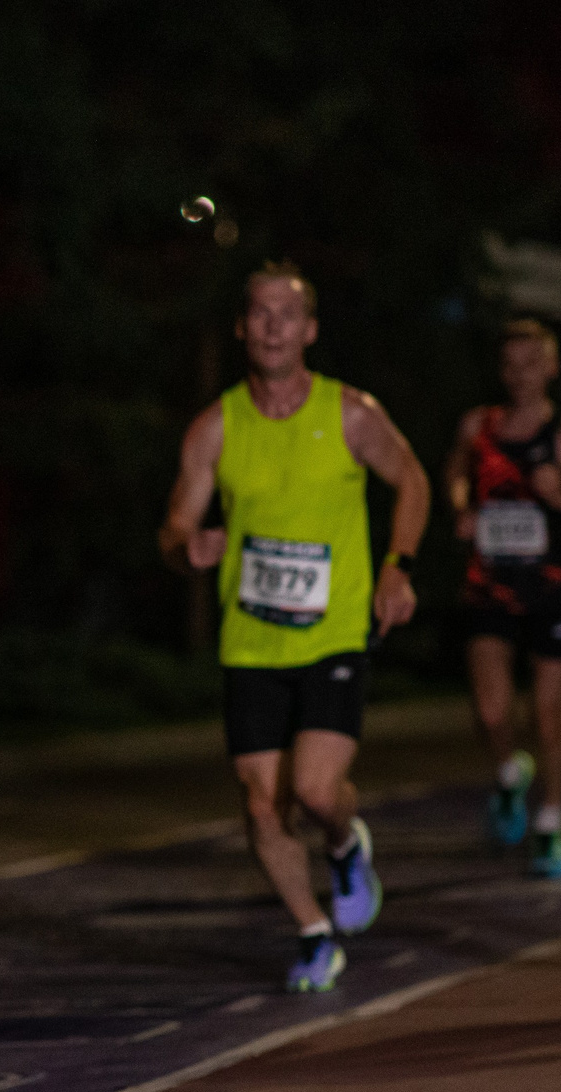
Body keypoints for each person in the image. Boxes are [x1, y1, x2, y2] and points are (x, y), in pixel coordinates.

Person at [160, 262, 432, 993]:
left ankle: (345, 843)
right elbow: (177, 521)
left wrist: (398, 566)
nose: (274, 324)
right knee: (259, 803)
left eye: (289, 313)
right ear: (244, 327)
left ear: (310, 330)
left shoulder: (349, 412)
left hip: (333, 632)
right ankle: (314, 930)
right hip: (251, 643)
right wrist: (188, 545)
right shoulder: (216, 426)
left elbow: (413, 477)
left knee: (315, 792)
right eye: (261, 312)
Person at [444, 319, 561, 876]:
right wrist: (460, 509)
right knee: (491, 709)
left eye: (532, 363)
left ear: (551, 368)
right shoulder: (479, 426)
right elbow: (455, 472)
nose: (520, 375)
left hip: (552, 590)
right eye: (510, 364)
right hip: (490, 586)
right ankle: (507, 777)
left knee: (549, 717)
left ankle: (550, 822)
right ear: (500, 371)